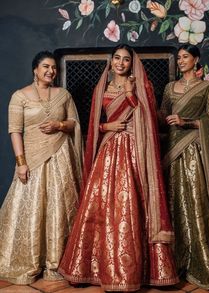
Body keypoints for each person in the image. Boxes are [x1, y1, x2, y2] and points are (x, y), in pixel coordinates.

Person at [58, 44, 179, 291]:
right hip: (108, 148)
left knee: (131, 204)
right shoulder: (101, 87)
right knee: (101, 204)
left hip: (135, 149)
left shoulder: (142, 86)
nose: (121, 63)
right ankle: (90, 268)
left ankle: (140, 273)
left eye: (126, 59)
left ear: (131, 63)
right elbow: (93, 123)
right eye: (117, 58)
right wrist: (106, 128)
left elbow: (147, 118)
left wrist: (130, 92)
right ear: (111, 61)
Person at [0, 51, 83, 285]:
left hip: (61, 159)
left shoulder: (63, 94)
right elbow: (15, 131)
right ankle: (32, 260)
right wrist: (21, 163)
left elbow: (74, 123)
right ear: (35, 69)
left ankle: (58, 262)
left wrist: (59, 124)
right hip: (33, 161)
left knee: (60, 208)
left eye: (54, 67)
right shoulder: (20, 96)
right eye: (45, 66)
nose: (51, 71)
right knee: (33, 210)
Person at [160, 44, 209, 290]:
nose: (180, 61)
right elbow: (161, 115)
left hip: (194, 152)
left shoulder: (207, 89)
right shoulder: (169, 88)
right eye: (178, 57)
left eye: (185, 57)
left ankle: (199, 261)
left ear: (196, 60)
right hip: (171, 152)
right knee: (172, 203)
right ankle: (172, 265)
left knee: (195, 202)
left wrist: (187, 121)